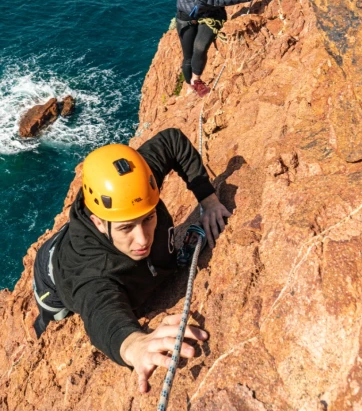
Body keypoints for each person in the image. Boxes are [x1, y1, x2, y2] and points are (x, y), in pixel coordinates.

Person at [32, 128, 230, 393]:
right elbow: (100, 311)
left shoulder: (134, 192)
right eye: (127, 228)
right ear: (98, 223)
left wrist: (208, 199)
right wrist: (133, 344)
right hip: (51, 278)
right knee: (55, 317)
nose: (142, 240)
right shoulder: (89, 269)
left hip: (86, 235)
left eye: (148, 218)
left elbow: (172, 142)